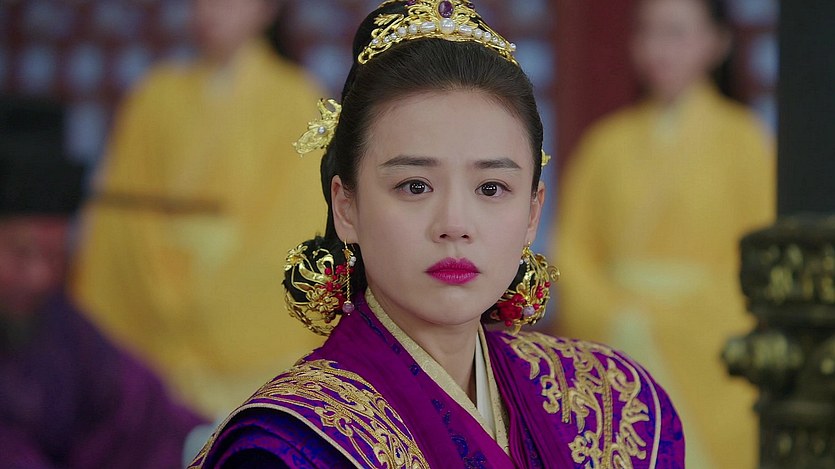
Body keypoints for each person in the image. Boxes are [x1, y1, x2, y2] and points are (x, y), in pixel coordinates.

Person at [189, 1, 685, 467]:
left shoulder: (613, 402)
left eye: (491, 188)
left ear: (533, 211)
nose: (454, 225)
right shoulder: (291, 446)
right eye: (415, 186)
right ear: (346, 206)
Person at [70, 0, 327, 418]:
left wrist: (214, 295)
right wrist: (163, 288)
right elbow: (122, 212)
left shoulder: (295, 98)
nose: (211, 10)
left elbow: (296, 220)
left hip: (246, 302)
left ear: (268, 9)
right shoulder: (154, 95)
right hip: (152, 291)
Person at [554, 0, 775, 467]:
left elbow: (759, 257)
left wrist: (666, 321)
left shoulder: (747, 142)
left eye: (676, 33)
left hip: (704, 339)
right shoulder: (606, 144)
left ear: (717, 43)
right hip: (617, 334)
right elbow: (572, 249)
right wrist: (612, 314)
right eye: (648, 32)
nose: (659, 49)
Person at [0, 154, 205, 468]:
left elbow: (140, 409)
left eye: (54, 256)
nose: (40, 276)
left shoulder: (60, 322)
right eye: (21, 253)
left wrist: (218, 438)